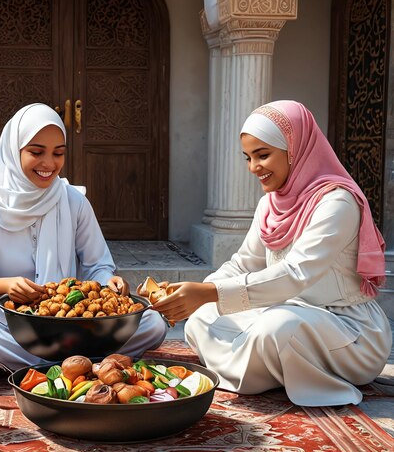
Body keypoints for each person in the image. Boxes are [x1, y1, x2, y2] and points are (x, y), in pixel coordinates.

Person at [149, 100, 391, 406]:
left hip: (349, 331)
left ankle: (259, 372)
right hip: (285, 310)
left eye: (263, 155)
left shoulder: (337, 203)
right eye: (248, 158)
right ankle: (269, 370)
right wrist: (195, 295)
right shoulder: (271, 203)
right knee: (202, 318)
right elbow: (243, 263)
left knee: (277, 329)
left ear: (295, 148)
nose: (254, 168)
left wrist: (209, 291)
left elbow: (294, 274)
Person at [0, 103, 168, 372]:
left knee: (153, 324)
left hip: (71, 326)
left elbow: (97, 265)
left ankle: (26, 366)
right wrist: (4, 285)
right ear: (13, 151)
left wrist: (108, 280)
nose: (49, 164)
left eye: (59, 153)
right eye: (36, 152)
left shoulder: (73, 200)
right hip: (10, 323)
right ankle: (84, 365)